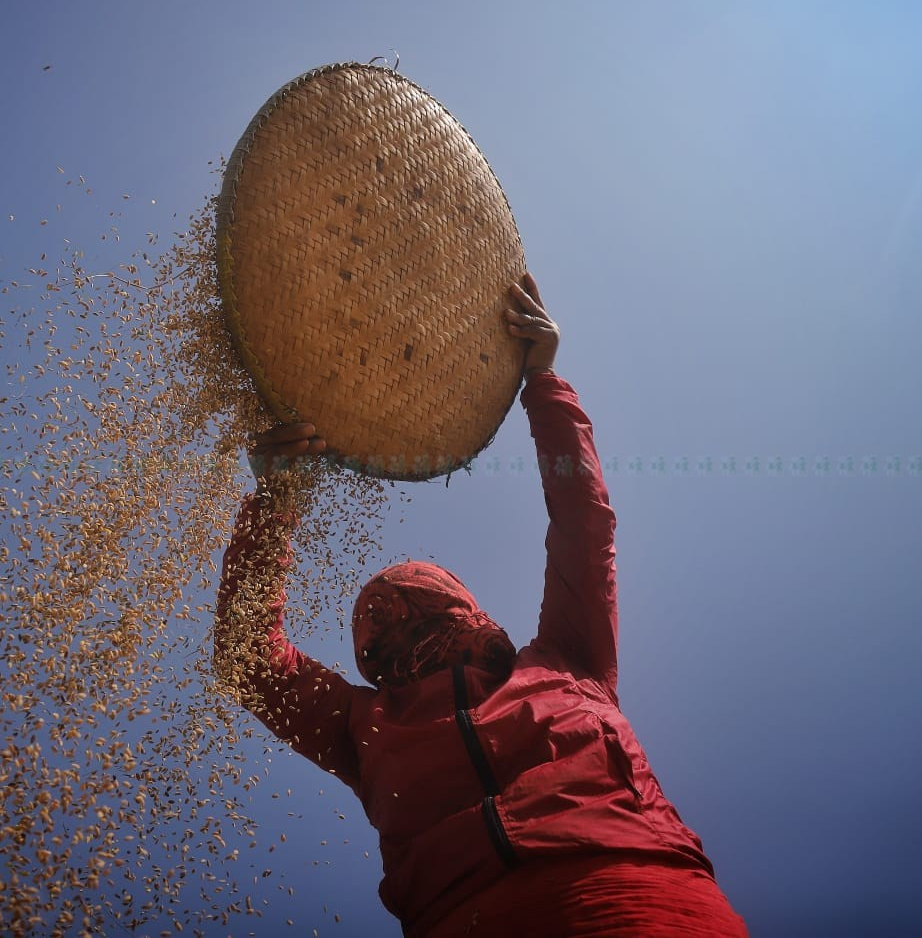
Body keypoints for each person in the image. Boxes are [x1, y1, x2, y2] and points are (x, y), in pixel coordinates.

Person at [214, 273, 747, 936]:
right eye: (383, 623)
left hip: (635, 895)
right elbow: (250, 661)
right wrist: (273, 500)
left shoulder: (565, 659)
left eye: (410, 610)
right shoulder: (362, 723)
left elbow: (584, 522)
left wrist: (544, 384)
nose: (398, 625)